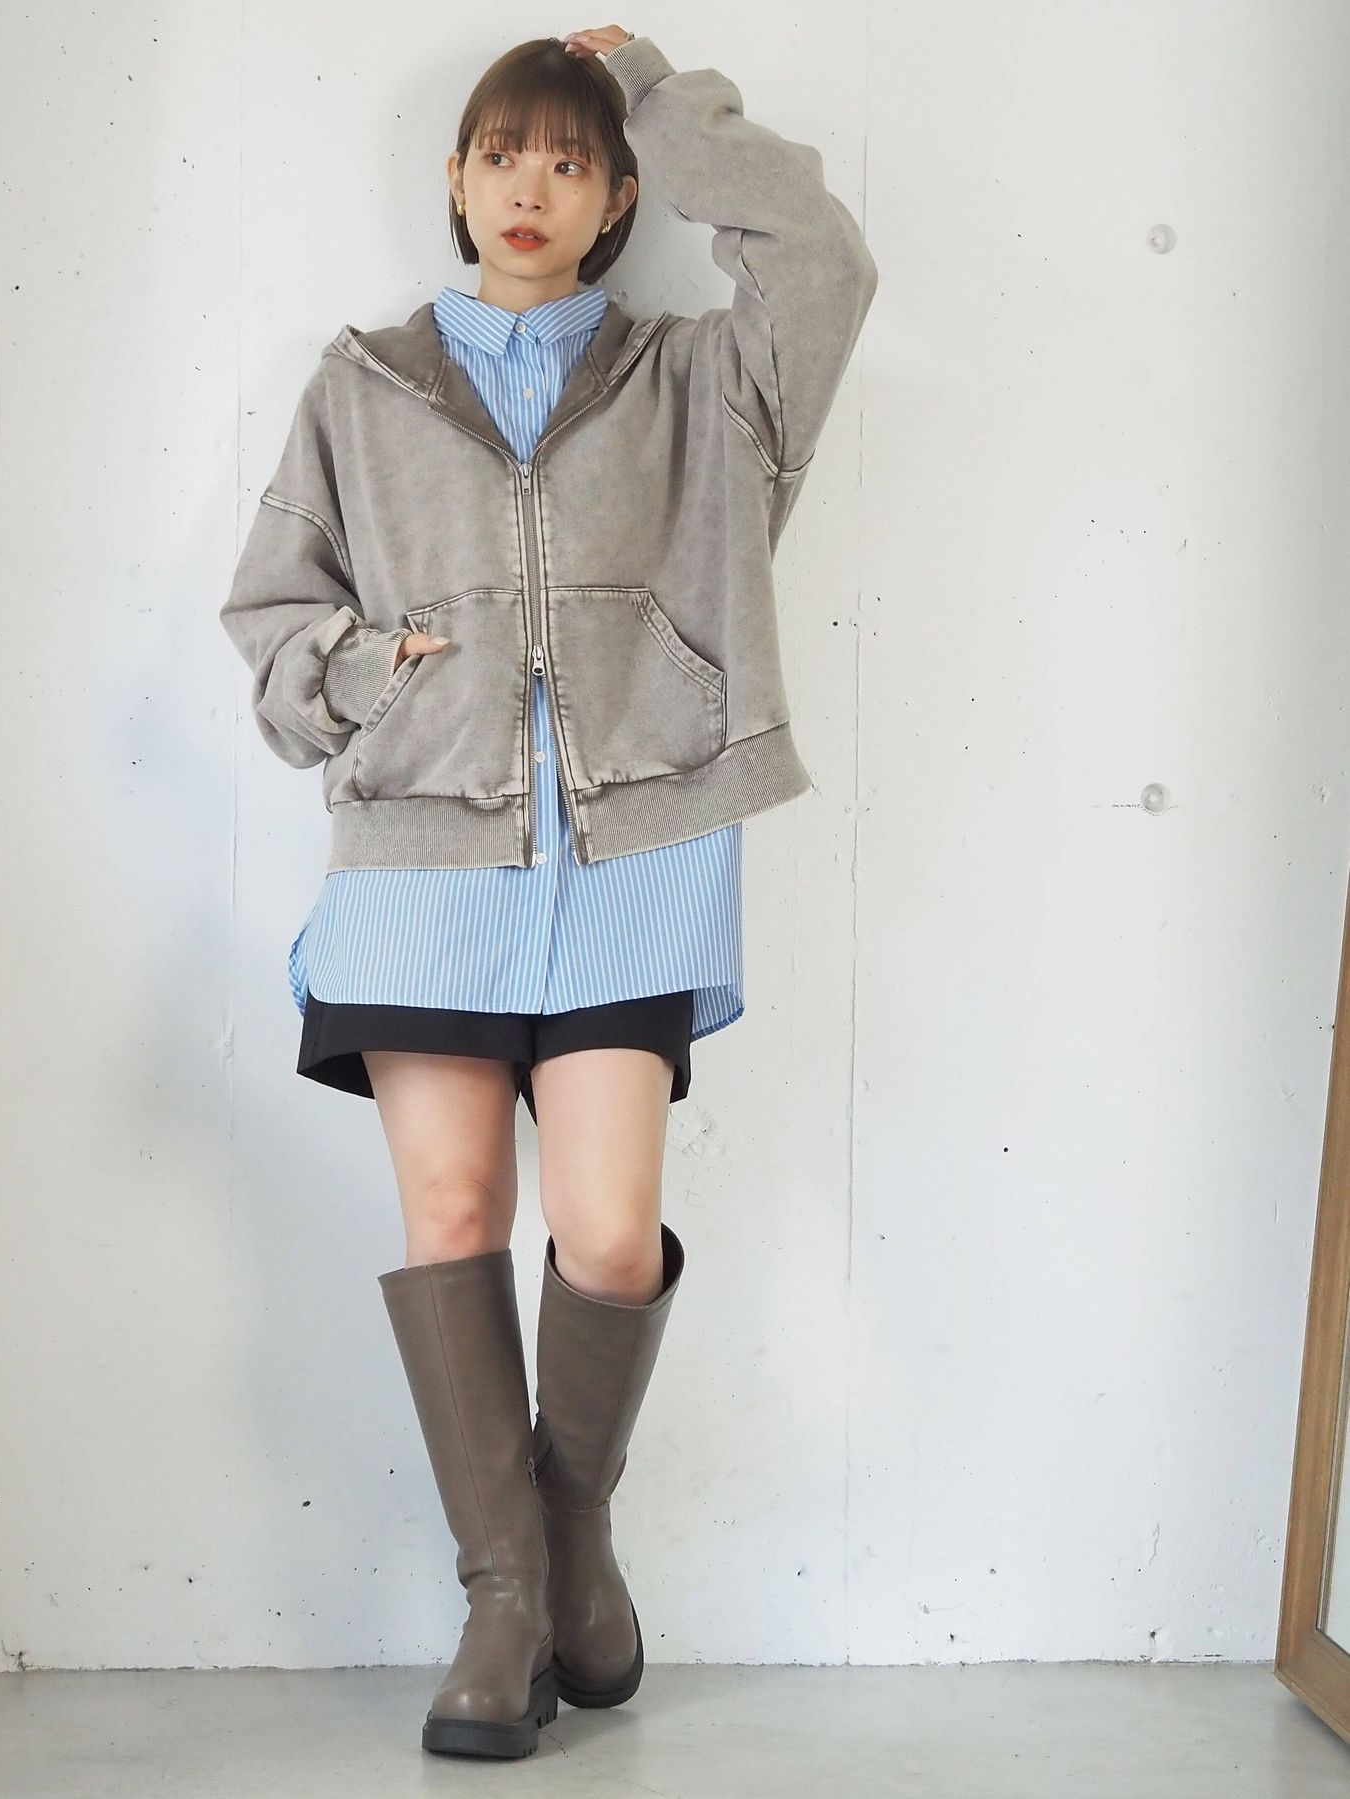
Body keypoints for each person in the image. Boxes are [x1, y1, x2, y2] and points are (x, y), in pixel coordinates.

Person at [219, 23, 877, 1760]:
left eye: (574, 161)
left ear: (620, 195)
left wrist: (652, 85)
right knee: (452, 1218)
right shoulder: (360, 385)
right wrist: (366, 671)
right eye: (504, 153)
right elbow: (271, 621)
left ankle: (575, 1528)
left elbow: (826, 258)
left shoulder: (705, 382)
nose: (533, 187)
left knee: (602, 1236)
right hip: (423, 854)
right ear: (456, 177)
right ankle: (507, 1594)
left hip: (639, 852)